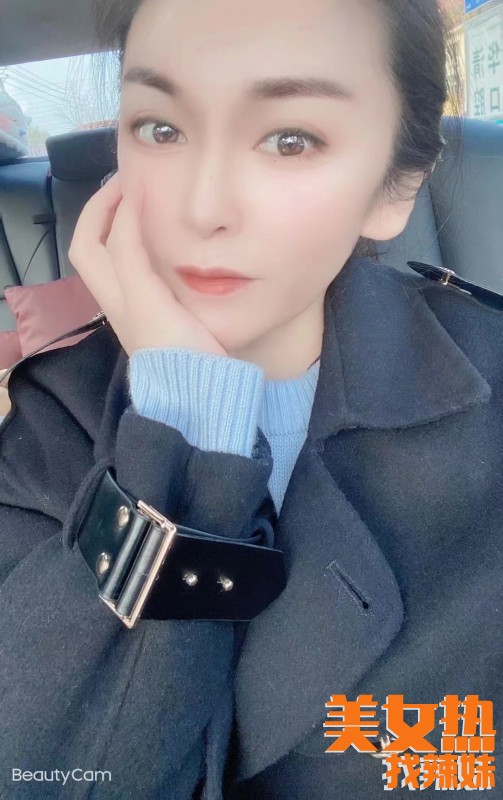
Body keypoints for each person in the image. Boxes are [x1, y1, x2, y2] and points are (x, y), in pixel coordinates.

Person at [0, 0, 500, 798]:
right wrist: (185, 424)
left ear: (396, 183)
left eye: (290, 139)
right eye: (161, 129)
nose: (203, 209)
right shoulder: (46, 422)